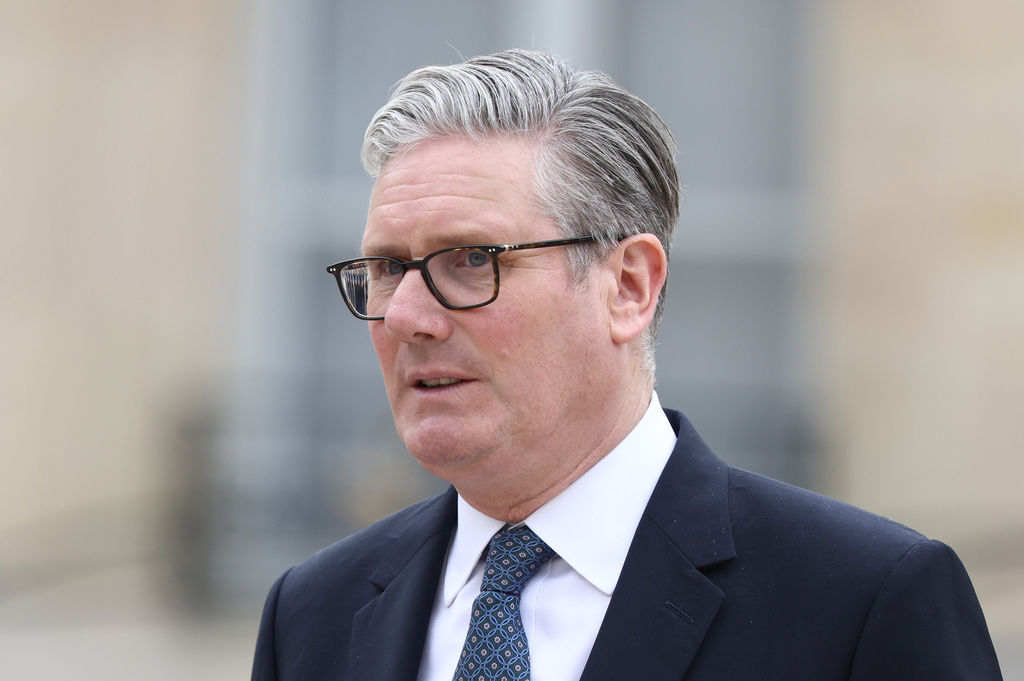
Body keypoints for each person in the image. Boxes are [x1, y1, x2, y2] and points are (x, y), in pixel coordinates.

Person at [251, 49, 1002, 681]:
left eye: (472, 259)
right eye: (387, 268)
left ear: (628, 287)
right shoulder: (311, 615)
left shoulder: (862, 600)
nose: (407, 317)